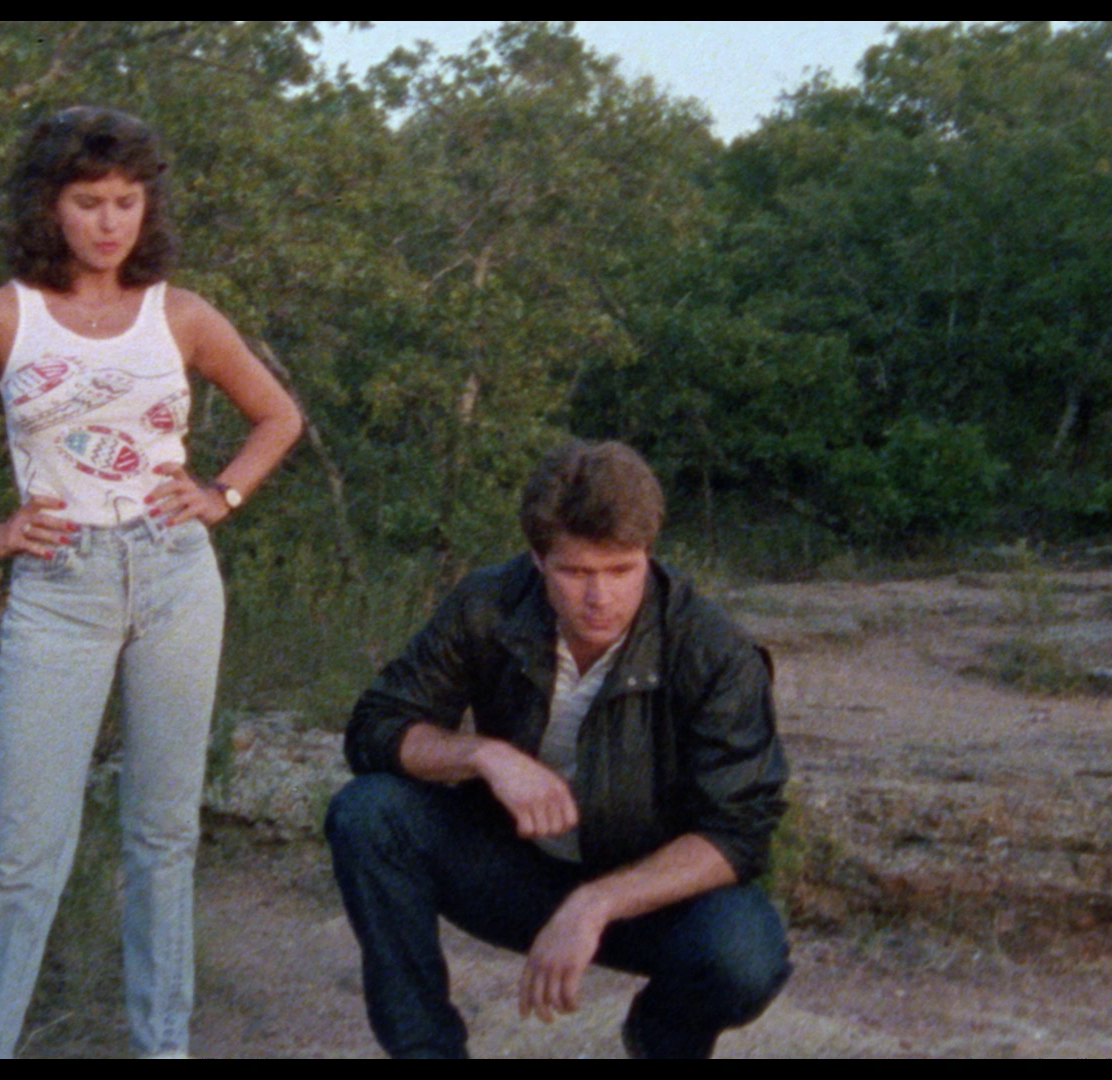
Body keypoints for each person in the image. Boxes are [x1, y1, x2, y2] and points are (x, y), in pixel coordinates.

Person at [0, 106, 302, 1059]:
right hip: (60, 587)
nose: (109, 222)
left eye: (126, 201)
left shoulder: (180, 315)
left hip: (176, 576)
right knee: (23, 851)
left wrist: (221, 494)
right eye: (88, 201)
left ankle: (164, 1044)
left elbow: (279, 417)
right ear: (49, 206)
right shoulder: (5, 316)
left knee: (164, 836)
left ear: (148, 207)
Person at [326, 440, 790, 1059]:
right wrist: (483, 755)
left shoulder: (712, 649)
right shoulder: (488, 604)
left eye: (621, 570)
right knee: (369, 812)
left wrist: (596, 902)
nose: (599, 597)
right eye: (575, 572)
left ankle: (660, 1037)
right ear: (539, 560)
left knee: (745, 953)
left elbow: (740, 832)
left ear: (648, 555)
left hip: (645, 893)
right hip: (514, 867)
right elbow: (377, 727)